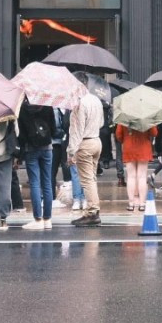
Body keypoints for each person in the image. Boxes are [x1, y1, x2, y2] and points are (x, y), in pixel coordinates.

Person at [68, 87, 106, 227]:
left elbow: (77, 130)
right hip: (96, 140)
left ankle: (92, 212)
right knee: (92, 178)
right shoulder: (96, 99)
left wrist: (71, 151)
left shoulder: (79, 103)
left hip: (85, 143)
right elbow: (102, 122)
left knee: (87, 180)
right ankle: (93, 209)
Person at [18, 103, 56, 230]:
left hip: (31, 148)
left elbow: (21, 134)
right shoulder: (47, 106)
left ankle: (38, 218)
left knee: (34, 183)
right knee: (47, 183)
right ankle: (48, 219)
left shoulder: (23, 108)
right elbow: (54, 129)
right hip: (47, 147)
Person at [116, 123, 158, 211]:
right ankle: (142, 204)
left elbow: (118, 135)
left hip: (129, 147)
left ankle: (131, 203)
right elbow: (154, 133)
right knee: (142, 177)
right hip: (144, 148)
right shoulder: (147, 117)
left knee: (131, 177)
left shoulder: (124, 117)